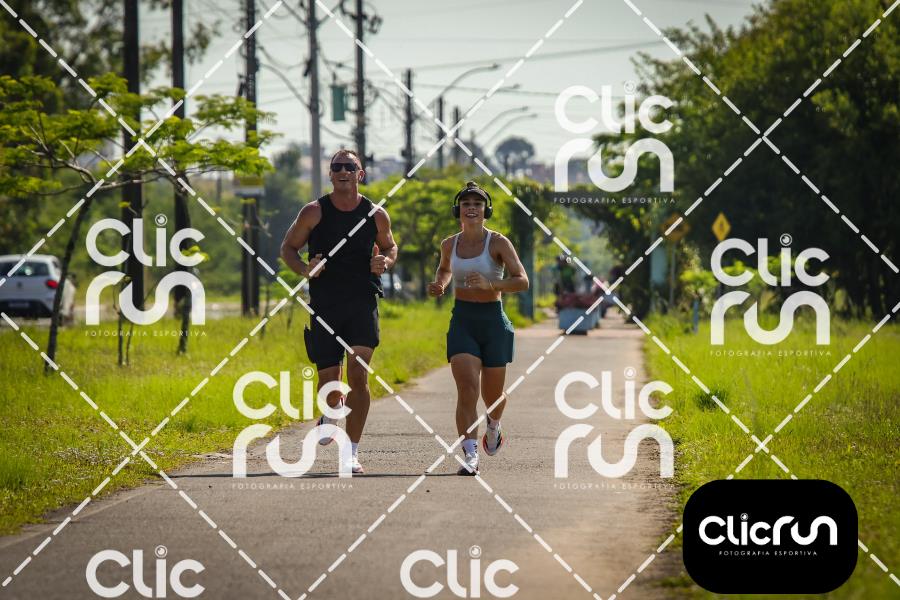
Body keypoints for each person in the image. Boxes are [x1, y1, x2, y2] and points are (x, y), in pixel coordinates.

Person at [280, 149, 398, 474]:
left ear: (360, 174)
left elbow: (390, 246)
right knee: (330, 384)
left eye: (350, 166)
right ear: (330, 174)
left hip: (362, 300)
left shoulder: (376, 214)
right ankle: (332, 409)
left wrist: (385, 261)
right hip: (326, 304)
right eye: (337, 167)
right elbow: (288, 248)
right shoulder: (314, 212)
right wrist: (305, 269)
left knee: (358, 375)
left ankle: (351, 452)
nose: (343, 171)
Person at [427, 181, 529, 475]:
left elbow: (522, 280)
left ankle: (493, 425)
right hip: (463, 320)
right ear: (458, 210)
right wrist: (440, 284)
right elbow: (445, 268)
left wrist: (491, 284)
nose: (471, 208)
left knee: (493, 397)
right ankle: (470, 454)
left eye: (477, 204)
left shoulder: (498, 243)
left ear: (486, 210)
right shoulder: (449, 244)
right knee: (467, 389)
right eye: (466, 204)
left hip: (493, 321)